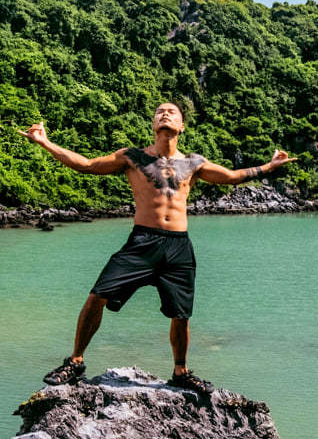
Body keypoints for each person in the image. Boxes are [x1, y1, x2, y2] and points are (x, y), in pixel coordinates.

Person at [23, 102, 289, 396]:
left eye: (172, 112)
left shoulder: (193, 163)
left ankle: (180, 371)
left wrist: (269, 166)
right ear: (153, 125)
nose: (165, 114)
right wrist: (44, 141)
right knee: (97, 295)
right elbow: (85, 165)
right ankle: (75, 361)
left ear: (182, 126)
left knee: (181, 314)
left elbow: (232, 176)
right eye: (160, 112)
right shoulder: (133, 157)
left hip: (178, 246)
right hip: (142, 242)